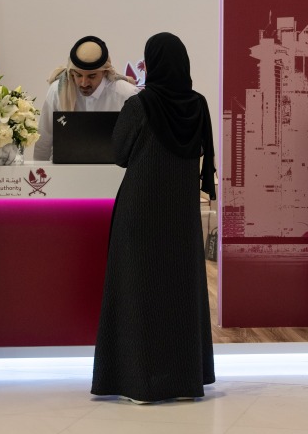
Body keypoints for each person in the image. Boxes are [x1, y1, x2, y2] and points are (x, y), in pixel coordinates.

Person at [91, 32, 216, 404]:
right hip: (180, 212)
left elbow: (120, 153)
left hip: (140, 210)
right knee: (179, 292)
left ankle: (139, 381)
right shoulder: (199, 105)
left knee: (137, 291)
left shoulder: (141, 105)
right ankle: (182, 379)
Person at [33, 35, 138, 161]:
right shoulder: (58, 91)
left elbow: (137, 145)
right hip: (66, 173)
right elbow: (44, 139)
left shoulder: (126, 95)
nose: (84, 83)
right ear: (71, 72)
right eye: (78, 75)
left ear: (104, 72)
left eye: (92, 76)